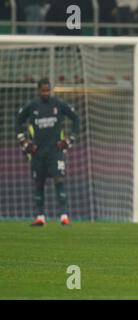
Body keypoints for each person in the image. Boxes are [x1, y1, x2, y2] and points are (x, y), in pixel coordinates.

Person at [16, 78, 80, 226]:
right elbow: (18, 121)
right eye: (43, 90)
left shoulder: (58, 104)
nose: (45, 93)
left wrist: (70, 139)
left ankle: (64, 216)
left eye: (47, 90)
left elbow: (76, 119)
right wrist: (23, 140)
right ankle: (40, 217)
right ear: (38, 91)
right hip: (37, 152)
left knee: (59, 181)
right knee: (39, 183)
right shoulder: (32, 106)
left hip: (55, 151)